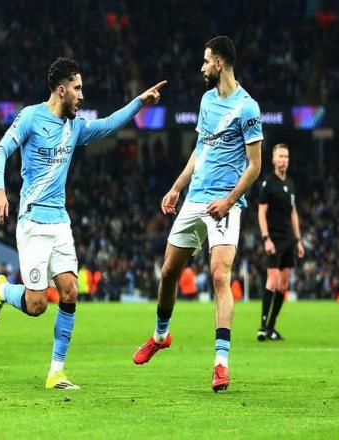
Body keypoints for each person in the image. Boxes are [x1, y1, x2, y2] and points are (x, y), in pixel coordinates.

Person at [0, 57, 165, 390]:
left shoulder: (75, 127)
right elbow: (0, 152)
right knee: (37, 305)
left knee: (70, 290)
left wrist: (139, 103)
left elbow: (109, 125)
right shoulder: (30, 117)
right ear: (61, 89)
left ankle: (56, 372)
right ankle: (2, 290)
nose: (82, 95)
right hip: (33, 221)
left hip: (60, 223)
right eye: (78, 88)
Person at [132, 36, 263, 393]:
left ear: (219, 64)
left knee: (220, 275)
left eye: (206, 61)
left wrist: (230, 201)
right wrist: (176, 187)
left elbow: (255, 166)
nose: (201, 67)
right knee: (168, 271)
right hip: (195, 198)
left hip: (225, 203)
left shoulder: (248, 108)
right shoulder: (206, 101)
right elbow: (200, 150)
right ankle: (160, 336)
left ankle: (221, 364)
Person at [257, 143, 304, 341]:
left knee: (283, 285)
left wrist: (298, 240)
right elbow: (261, 212)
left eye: (286, 156)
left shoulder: (290, 184)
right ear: (273, 160)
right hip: (274, 238)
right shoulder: (268, 183)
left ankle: (271, 327)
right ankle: (262, 327)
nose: (283, 160)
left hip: (288, 239)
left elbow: (293, 213)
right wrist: (266, 238)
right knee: (273, 280)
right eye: (280, 156)